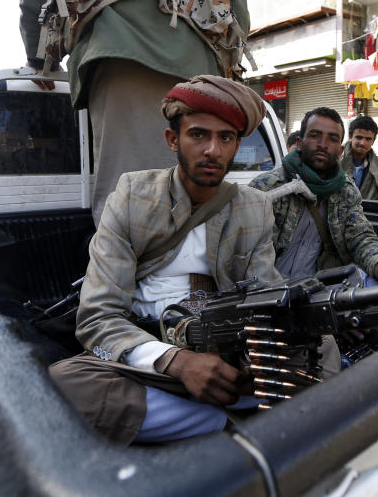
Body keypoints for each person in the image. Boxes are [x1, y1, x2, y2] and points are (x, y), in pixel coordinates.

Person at [49, 76, 294, 444]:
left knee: (319, 345)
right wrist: (178, 362)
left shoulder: (254, 207)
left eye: (225, 138)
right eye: (198, 135)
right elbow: (97, 317)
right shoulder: (133, 194)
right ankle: (220, 422)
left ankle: (211, 411)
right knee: (64, 387)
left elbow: (266, 297)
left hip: (226, 349)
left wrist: (251, 358)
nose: (212, 149)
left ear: (237, 146)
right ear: (173, 140)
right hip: (150, 353)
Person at [19, 0, 251, 224]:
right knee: (189, 203)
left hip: (124, 61)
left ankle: (122, 279)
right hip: (200, 82)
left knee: (128, 203)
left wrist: (39, 60)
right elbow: (239, 16)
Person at [250, 107, 378, 284]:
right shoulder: (267, 188)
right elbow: (246, 253)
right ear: (299, 142)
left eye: (332, 139)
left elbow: (360, 235)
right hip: (264, 292)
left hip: (317, 293)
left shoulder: (346, 192)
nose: (322, 144)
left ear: (341, 151)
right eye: (314, 136)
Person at [339, 116, 378, 201]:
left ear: (373, 141)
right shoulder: (336, 160)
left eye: (368, 139)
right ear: (350, 137)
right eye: (359, 137)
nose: (363, 143)